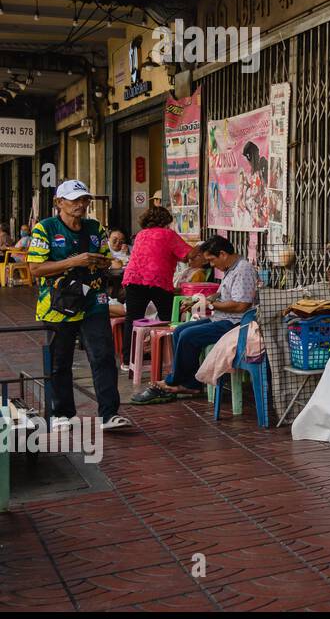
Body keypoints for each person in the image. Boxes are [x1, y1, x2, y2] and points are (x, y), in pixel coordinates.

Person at [25, 180, 132, 431]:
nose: (80, 205)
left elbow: (108, 260)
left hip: (93, 300)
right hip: (58, 303)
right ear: (59, 202)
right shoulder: (45, 229)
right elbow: (36, 268)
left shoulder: (95, 228)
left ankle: (109, 414)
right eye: (74, 200)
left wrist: (99, 262)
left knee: (104, 356)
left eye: (84, 199)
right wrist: (76, 261)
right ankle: (62, 413)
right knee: (60, 360)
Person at [130, 235, 257, 404]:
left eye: (212, 260)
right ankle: (190, 382)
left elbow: (241, 305)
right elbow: (224, 293)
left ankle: (173, 382)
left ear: (223, 254)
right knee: (180, 330)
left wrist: (211, 305)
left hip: (235, 323)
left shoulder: (243, 270)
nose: (212, 265)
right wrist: (203, 300)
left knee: (188, 335)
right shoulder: (231, 268)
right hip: (223, 318)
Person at [120, 206, 196, 372]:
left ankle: (127, 360)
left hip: (134, 279)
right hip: (158, 280)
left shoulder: (140, 235)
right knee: (169, 317)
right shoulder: (168, 234)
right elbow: (188, 255)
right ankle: (169, 358)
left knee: (132, 319)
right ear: (166, 221)